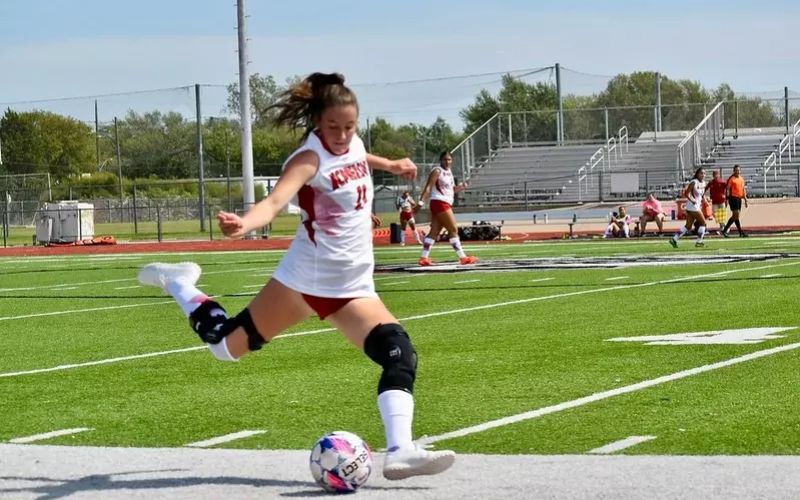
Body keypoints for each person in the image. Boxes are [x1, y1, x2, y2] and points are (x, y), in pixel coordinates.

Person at [136, 73, 455, 480]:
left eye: (349, 127)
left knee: (399, 352)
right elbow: (274, 201)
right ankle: (179, 282)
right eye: (333, 127)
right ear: (318, 123)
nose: (342, 135)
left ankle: (400, 451)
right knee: (225, 348)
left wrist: (389, 164)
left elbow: (357, 158)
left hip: (352, 286)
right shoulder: (308, 160)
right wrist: (246, 223)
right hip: (306, 280)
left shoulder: (353, 144)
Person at [417, 151, 479, 266]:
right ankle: (463, 257)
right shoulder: (437, 171)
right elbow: (428, 187)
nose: (447, 161)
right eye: (445, 159)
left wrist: (461, 187)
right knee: (453, 229)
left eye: (449, 159)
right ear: (441, 160)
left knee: (434, 232)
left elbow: (451, 190)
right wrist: (420, 203)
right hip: (440, 202)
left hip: (443, 202)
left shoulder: (449, 172)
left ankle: (423, 258)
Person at [670, 167, 708, 248]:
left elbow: (702, 194)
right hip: (693, 206)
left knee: (688, 226)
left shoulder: (704, 183)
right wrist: (692, 200)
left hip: (695, 206)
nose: (703, 175)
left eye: (704, 173)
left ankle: (674, 238)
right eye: (701, 173)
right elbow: (686, 193)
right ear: (697, 174)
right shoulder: (694, 182)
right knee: (703, 223)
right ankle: (699, 241)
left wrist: (705, 200)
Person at [722, 164, 749, 237]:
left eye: (739, 170)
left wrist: (745, 199)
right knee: (736, 214)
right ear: (734, 171)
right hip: (733, 198)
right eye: (736, 170)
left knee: (736, 216)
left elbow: (743, 189)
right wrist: (727, 199)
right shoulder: (731, 179)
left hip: (739, 198)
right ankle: (725, 230)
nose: (737, 172)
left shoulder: (741, 179)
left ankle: (740, 232)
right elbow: (727, 189)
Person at [705, 169, 727, 234]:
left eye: (716, 174)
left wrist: (726, 197)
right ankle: (724, 226)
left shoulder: (722, 181)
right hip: (714, 201)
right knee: (715, 214)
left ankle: (722, 228)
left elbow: (728, 188)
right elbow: (706, 188)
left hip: (721, 200)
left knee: (722, 215)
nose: (715, 175)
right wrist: (704, 195)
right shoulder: (711, 182)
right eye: (714, 174)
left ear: (718, 174)